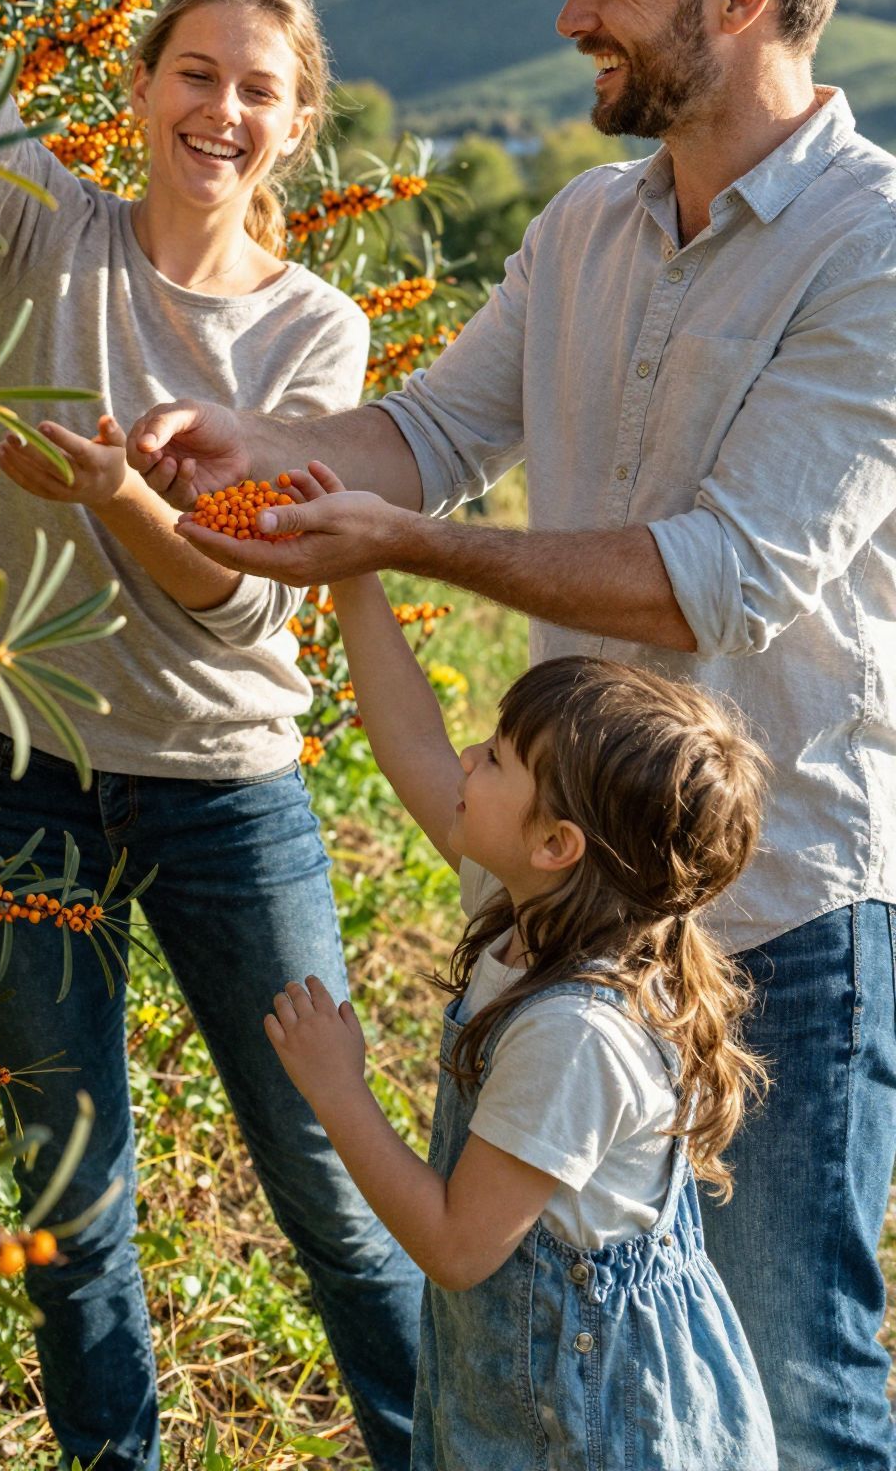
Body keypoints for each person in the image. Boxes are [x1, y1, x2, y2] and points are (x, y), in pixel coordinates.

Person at [129, 0, 896, 1466]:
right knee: (566, 1360)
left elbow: (725, 577)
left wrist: (402, 544)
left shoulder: (873, 247)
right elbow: (418, 432)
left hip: (781, 916)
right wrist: (253, 449)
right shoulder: (584, 230)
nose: (571, 16)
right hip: (561, 901)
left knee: (791, 1380)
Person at [0, 0, 422, 1470]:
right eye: (194, 73)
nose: (221, 109)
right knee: (76, 1207)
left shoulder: (316, 334)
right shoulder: (54, 230)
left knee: (333, 1193)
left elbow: (218, 580)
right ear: (139, 90)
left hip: (218, 784)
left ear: (296, 123)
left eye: (257, 89)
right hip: (20, 761)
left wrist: (113, 493)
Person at [261, 462, 777, 1471]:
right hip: (527, 1394)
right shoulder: (543, 919)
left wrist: (338, 1088)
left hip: (587, 1428)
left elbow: (458, 1246)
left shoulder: (575, 1030)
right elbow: (408, 740)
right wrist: (353, 572)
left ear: (560, 844)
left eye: (497, 757)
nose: (466, 759)